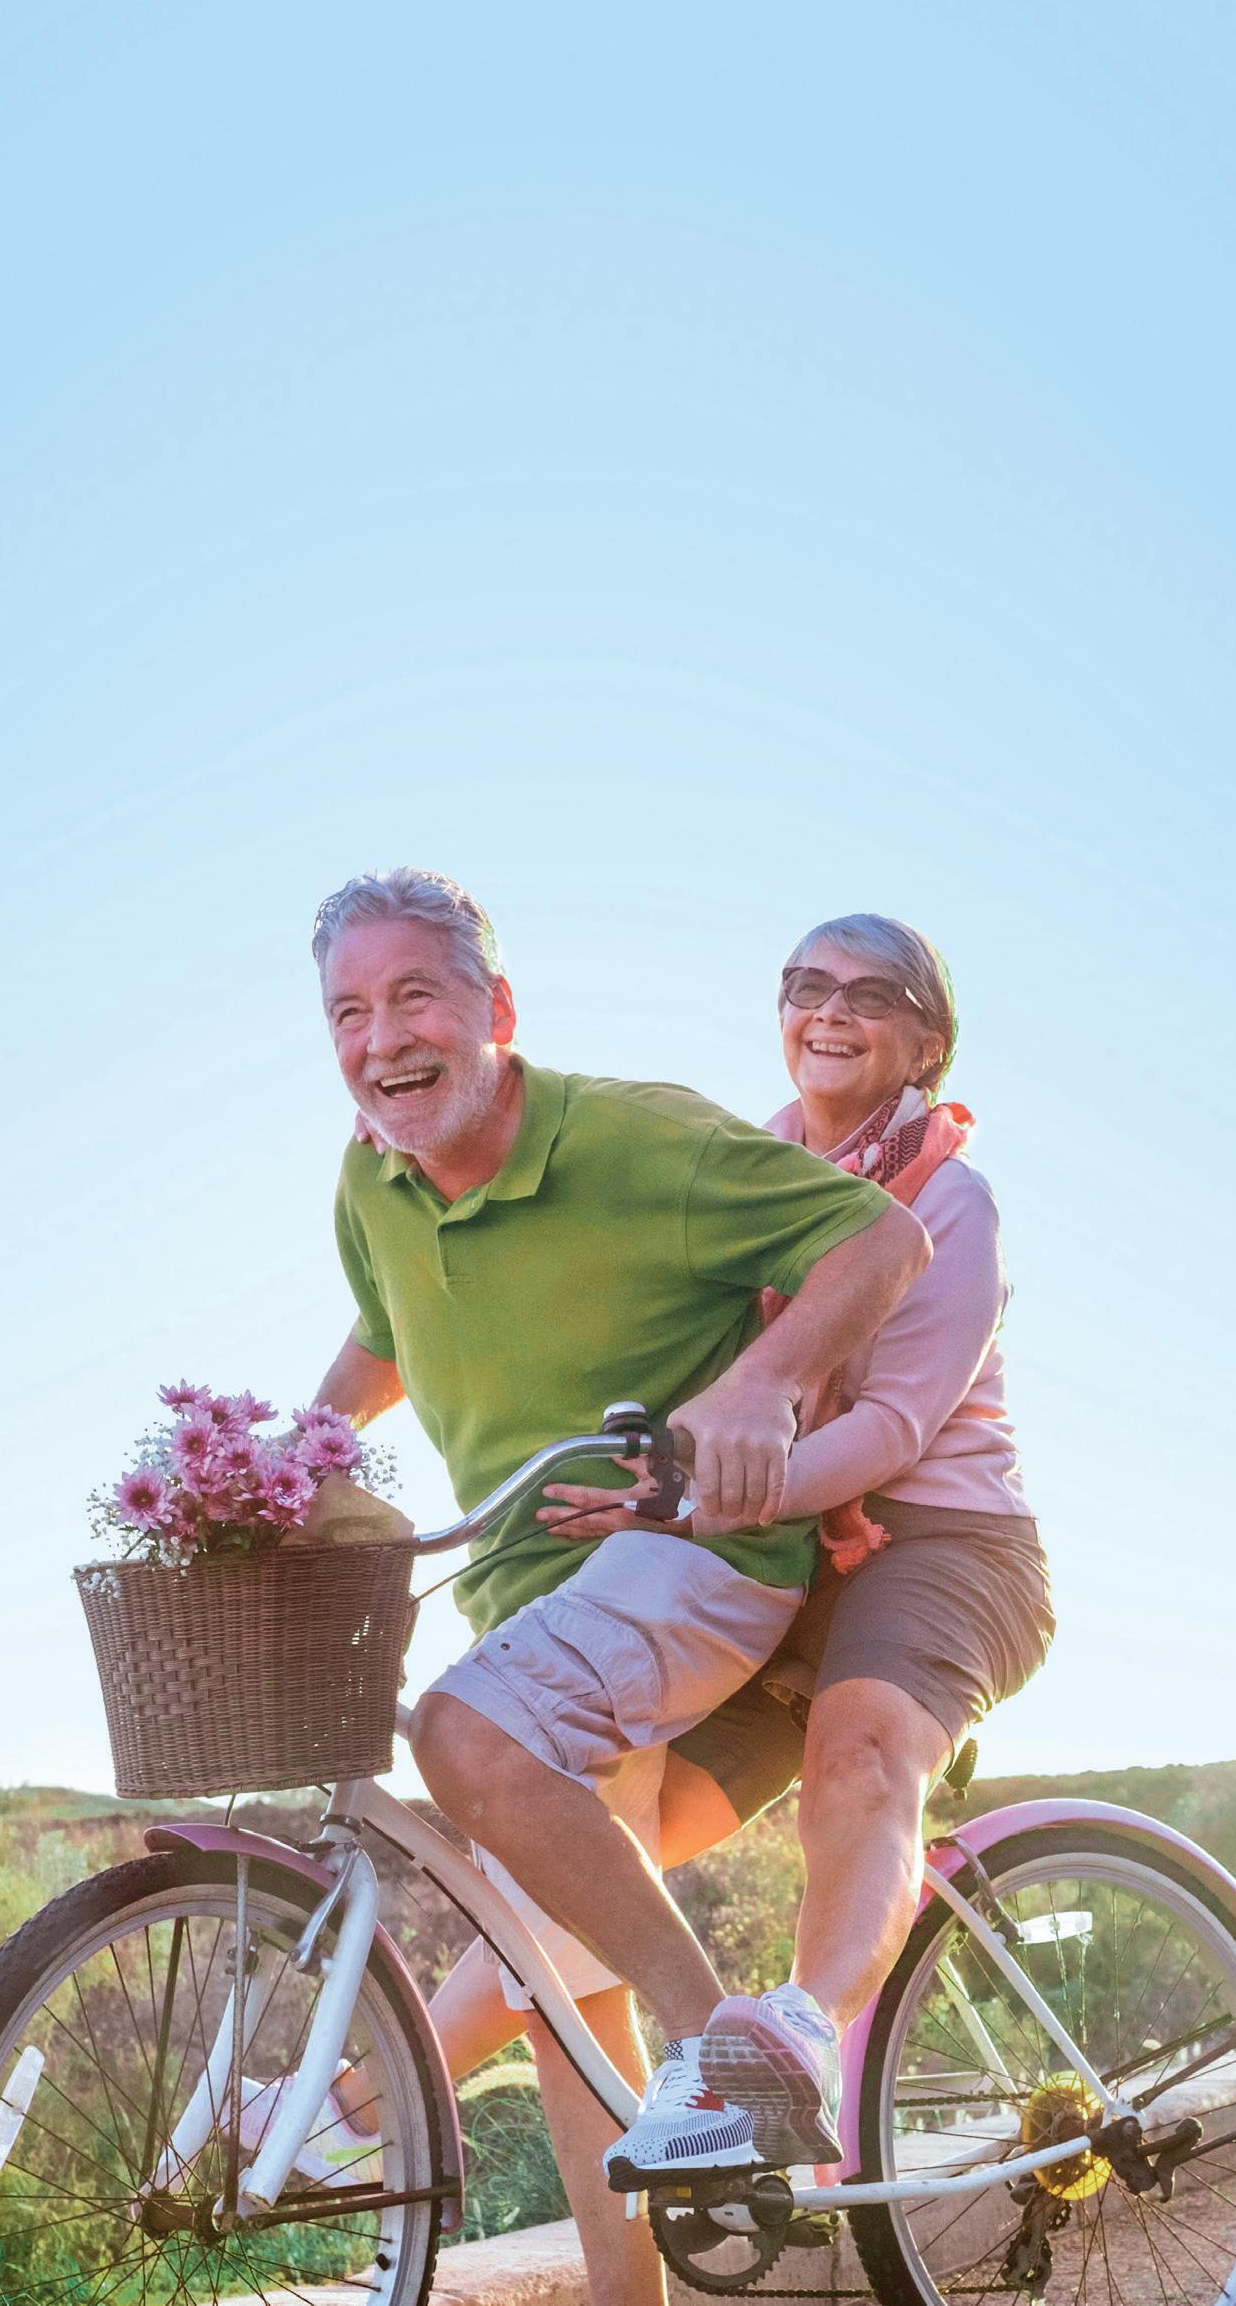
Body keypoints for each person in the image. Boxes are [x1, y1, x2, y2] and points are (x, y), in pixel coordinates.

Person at [306, 869, 930, 2306]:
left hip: (692, 1556)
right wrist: (287, 1459)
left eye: (414, 996)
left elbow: (881, 1241)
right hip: (535, 1596)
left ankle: (726, 2055)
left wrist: (763, 1385)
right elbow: (385, 1333)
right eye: (347, 1010)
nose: (381, 1037)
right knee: (559, 1987)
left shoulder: (637, 1137)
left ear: (496, 1009)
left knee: (462, 1732)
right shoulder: (370, 1180)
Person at [426, 912, 1053, 2177]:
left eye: (869, 995)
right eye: (805, 985)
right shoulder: (755, 1164)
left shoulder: (948, 1197)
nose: (829, 1011)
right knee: (596, 1856)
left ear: (925, 1044)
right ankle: (357, 2107)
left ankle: (788, 2045)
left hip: (943, 1543)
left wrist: (694, 1504)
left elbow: (887, 1430)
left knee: (854, 1752)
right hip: (783, 1558)